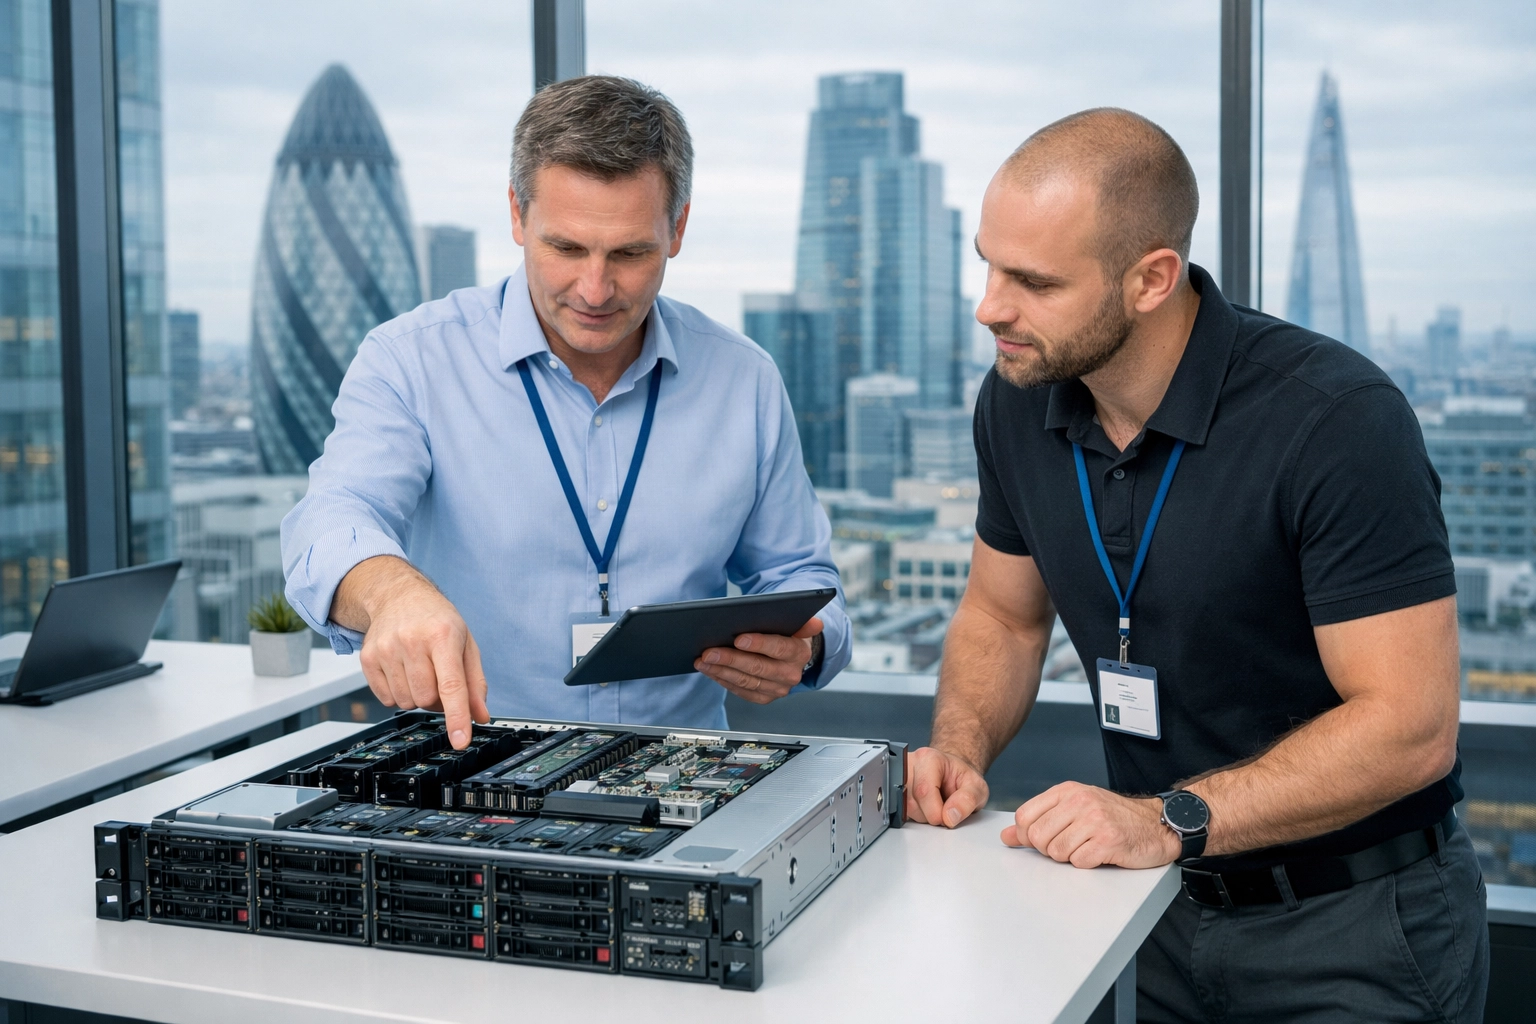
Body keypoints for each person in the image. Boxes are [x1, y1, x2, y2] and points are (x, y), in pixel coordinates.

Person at [907, 108, 1487, 1022]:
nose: (990, 306)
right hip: (1150, 912)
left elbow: (1411, 727)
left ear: (1152, 279)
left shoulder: (1335, 419)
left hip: (1354, 928)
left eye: (1033, 280)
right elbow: (1004, 616)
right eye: (987, 263)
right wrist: (959, 749)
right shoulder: (1017, 397)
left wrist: (1163, 818)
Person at [281, 76, 849, 750]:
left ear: (679, 229)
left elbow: (804, 579)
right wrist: (390, 593)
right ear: (518, 216)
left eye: (631, 253)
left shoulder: (744, 380)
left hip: (681, 780)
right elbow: (330, 518)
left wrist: (807, 649)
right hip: (471, 777)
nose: (595, 289)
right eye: (567, 248)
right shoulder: (411, 360)